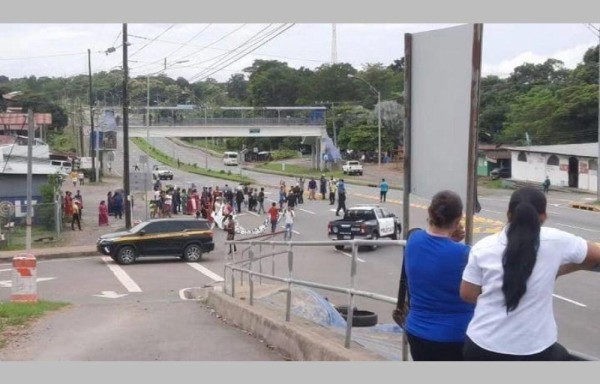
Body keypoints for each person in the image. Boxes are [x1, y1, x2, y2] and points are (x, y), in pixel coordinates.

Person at [460, 187, 600, 361]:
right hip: (534, 349)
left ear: (508, 214)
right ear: (543, 216)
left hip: (482, 346)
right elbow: (596, 255)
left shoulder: (483, 247)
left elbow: (467, 294)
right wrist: (562, 269)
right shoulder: (558, 241)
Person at [404, 190, 473, 361]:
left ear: (429, 212)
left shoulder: (413, 239)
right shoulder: (465, 254)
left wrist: (450, 238)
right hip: (453, 338)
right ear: (458, 220)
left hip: (416, 333)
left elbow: (436, 253)